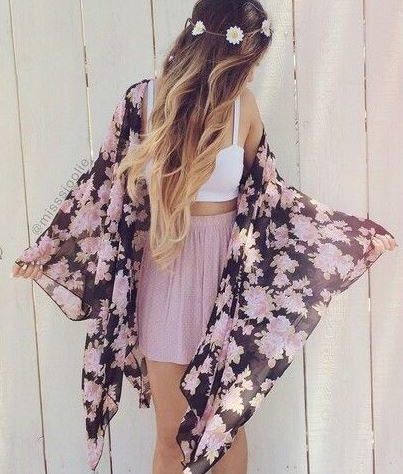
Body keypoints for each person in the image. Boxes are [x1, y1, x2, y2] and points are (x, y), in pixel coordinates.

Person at [11, 1, 398, 473]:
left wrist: (348, 237)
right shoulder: (142, 102)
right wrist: (49, 248)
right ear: (224, 52)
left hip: (226, 285)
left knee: (224, 432)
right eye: (248, 60)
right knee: (171, 439)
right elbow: (100, 186)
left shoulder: (242, 108)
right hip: (166, 271)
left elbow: (270, 196)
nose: (251, 71)